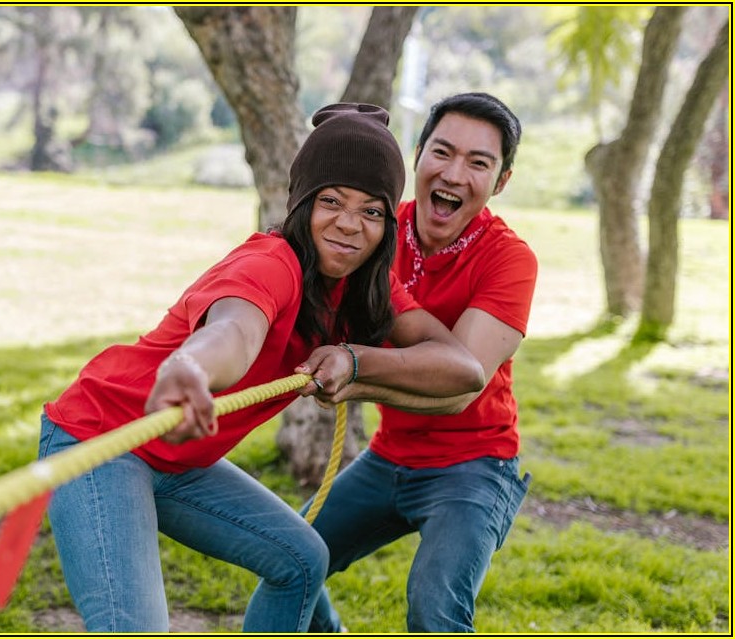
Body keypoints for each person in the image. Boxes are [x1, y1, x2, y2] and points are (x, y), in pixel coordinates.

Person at [37, 103, 485, 633]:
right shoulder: (270, 264)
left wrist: (355, 359)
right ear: (302, 203)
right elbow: (234, 332)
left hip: (178, 456)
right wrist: (191, 367)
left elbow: (463, 368)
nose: (349, 224)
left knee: (302, 561)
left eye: (371, 211)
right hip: (102, 440)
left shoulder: (365, 288)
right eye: (331, 201)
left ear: (387, 224)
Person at [298, 92, 539, 633]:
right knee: (288, 554)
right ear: (418, 154)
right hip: (388, 455)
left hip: (475, 464)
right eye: (442, 152)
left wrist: (354, 370)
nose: (453, 174)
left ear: (501, 181)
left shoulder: (510, 259)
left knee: (435, 612)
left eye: (478, 163)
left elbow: (460, 389)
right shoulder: (375, 228)